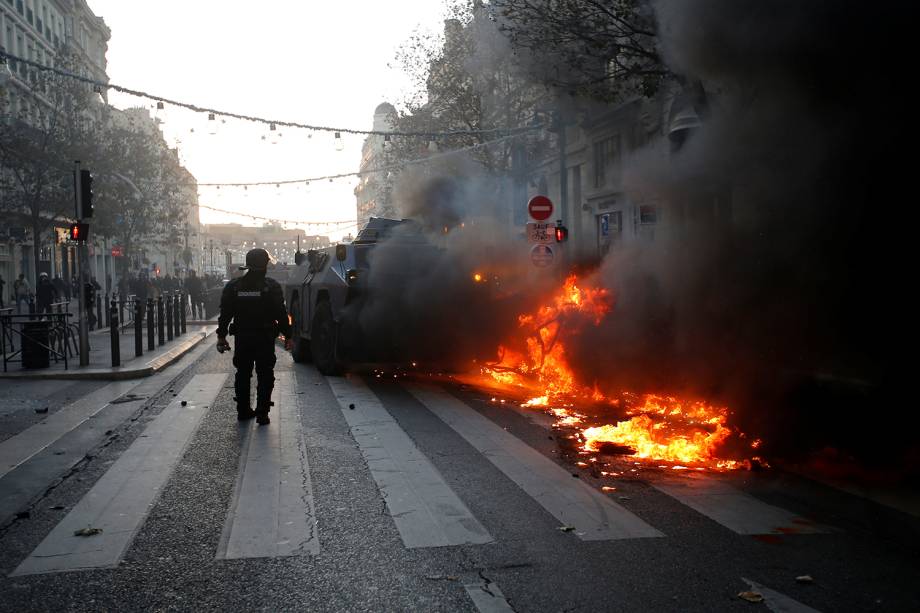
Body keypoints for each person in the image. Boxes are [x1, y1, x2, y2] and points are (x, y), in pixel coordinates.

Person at [216, 249, 292, 424]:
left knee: (242, 373)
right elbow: (281, 314)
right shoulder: (271, 286)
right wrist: (288, 335)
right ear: (265, 265)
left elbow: (225, 314)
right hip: (264, 338)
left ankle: (243, 410)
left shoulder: (234, 286)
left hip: (243, 338)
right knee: (265, 374)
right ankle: (262, 413)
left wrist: (221, 336)